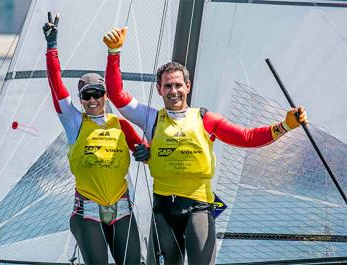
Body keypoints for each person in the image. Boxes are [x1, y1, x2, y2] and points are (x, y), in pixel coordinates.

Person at [103, 27, 308, 265]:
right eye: (168, 86)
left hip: (198, 208)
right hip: (163, 210)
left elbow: (247, 137)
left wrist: (285, 125)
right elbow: (117, 95)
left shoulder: (204, 119)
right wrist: (114, 52)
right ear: (159, 89)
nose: (174, 91)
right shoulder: (151, 118)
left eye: (178, 85)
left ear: (188, 87)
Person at [43, 14, 147, 264]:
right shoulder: (74, 122)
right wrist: (51, 47)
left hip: (122, 211)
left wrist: (146, 152)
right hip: (86, 214)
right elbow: (56, 87)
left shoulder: (120, 124)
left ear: (106, 96)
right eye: (86, 96)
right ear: (81, 100)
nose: (92, 100)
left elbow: (148, 150)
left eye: (97, 94)